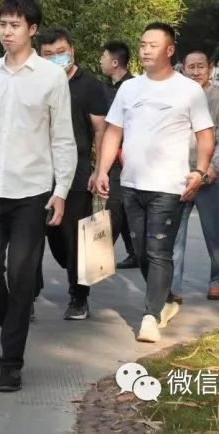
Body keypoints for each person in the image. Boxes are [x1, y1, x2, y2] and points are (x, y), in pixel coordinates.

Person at [0, 0, 75, 393]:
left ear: (32, 29)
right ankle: (13, 320)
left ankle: (10, 362)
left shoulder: (51, 78)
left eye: (15, 25)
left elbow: (63, 138)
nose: (6, 32)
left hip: (31, 192)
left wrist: (61, 190)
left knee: (21, 276)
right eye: (2, 24)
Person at [94, 23, 214, 344]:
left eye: (153, 45)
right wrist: (102, 170)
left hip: (170, 186)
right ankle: (166, 299)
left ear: (170, 50)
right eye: (143, 44)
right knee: (142, 252)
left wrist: (200, 172)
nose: (145, 50)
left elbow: (205, 135)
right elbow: (113, 132)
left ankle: (150, 314)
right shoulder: (130, 89)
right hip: (132, 184)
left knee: (159, 250)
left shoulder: (188, 90)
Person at [37, 27, 109, 320]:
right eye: (48, 54)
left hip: (77, 173)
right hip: (39, 171)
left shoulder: (89, 85)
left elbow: (100, 129)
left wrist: (98, 169)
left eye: (61, 52)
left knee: (76, 238)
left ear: (72, 51)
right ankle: (28, 293)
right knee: (38, 237)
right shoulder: (35, 82)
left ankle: (79, 297)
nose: (55, 58)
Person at [171, 50, 219, 303]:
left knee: (214, 231)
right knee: (175, 234)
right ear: (183, 69)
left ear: (209, 69)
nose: (196, 72)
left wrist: (213, 168)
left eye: (201, 66)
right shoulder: (176, 96)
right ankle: (173, 288)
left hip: (209, 178)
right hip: (179, 175)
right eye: (191, 67)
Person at [99, 40, 137, 269]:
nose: (100, 61)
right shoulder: (102, 88)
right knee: (119, 205)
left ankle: (96, 260)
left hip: (129, 159)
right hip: (109, 157)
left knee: (114, 208)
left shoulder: (134, 88)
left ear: (115, 62)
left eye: (103, 57)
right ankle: (135, 253)